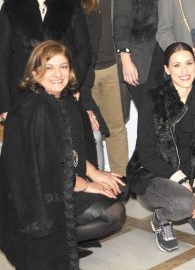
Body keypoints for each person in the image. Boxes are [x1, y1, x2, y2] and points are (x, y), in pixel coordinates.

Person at [0, 41, 126, 269]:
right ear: (35, 72)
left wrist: (95, 173)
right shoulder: (33, 109)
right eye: (50, 67)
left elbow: (70, 151)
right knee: (111, 213)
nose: (58, 74)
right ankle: (56, 244)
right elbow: (41, 168)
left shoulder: (63, 102)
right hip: (33, 204)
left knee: (116, 198)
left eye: (64, 66)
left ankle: (66, 243)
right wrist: (84, 185)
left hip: (57, 187)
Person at [126, 42, 195, 252]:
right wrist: (181, 180)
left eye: (188, 63)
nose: (184, 71)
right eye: (176, 65)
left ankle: (186, 205)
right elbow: (147, 154)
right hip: (153, 175)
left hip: (190, 177)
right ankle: (162, 217)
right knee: (184, 202)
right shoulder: (153, 99)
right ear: (166, 69)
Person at [0, 0, 90, 122]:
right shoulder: (10, 7)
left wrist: (70, 85)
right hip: (22, 96)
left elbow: (84, 52)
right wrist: (4, 105)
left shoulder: (71, 4)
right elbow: (2, 59)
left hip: (61, 93)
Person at [80, 0, 130, 175]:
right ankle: (94, 184)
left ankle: (120, 182)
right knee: (85, 130)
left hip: (112, 67)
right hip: (81, 72)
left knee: (116, 127)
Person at [114, 0, 171, 111]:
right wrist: (126, 60)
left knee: (166, 119)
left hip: (167, 61)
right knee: (149, 120)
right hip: (139, 62)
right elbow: (120, 23)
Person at [63, 0, 110, 156]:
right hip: (63, 87)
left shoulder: (92, 9)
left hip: (82, 86)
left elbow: (88, 56)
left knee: (95, 133)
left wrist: (82, 99)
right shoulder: (58, 9)